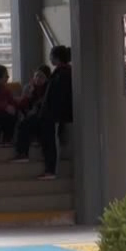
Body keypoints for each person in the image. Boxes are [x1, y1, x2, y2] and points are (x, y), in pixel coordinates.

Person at [37, 46, 74, 181]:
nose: (49, 58)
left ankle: (51, 170)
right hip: (53, 114)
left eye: (51, 56)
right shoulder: (61, 72)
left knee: (51, 142)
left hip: (54, 115)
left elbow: (58, 96)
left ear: (57, 57)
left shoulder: (62, 74)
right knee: (49, 141)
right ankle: (50, 169)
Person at [11, 66, 50, 162]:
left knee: (27, 123)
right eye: (36, 76)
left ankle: (23, 153)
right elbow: (22, 105)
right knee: (23, 123)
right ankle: (22, 153)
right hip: (30, 116)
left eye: (41, 77)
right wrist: (28, 95)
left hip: (44, 117)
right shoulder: (29, 87)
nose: (38, 79)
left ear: (46, 78)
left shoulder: (49, 88)